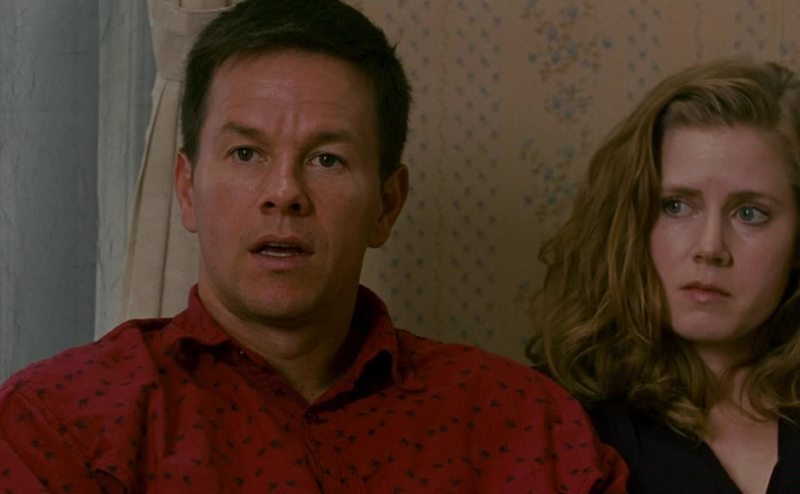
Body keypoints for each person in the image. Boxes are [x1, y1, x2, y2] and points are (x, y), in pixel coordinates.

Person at [0, 0, 625, 492]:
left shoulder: (527, 425)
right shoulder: (59, 423)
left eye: (327, 159)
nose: (284, 192)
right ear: (187, 190)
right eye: (246, 154)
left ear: (386, 204)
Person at [528, 58, 800, 494]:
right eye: (676, 206)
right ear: (630, 222)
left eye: (750, 213)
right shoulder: (557, 416)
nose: (709, 247)